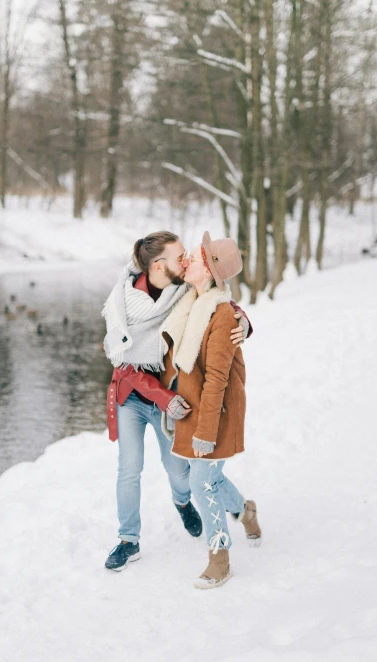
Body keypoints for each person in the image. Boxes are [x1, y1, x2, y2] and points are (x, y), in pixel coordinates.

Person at [102, 231, 251, 572]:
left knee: (179, 471)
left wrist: (244, 321)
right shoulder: (122, 303)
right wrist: (164, 398)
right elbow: (124, 364)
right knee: (129, 470)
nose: (185, 260)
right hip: (135, 397)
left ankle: (183, 502)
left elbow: (215, 298)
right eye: (179, 255)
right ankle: (128, 540)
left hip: (174, 399)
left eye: (187, 255)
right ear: (158, 265)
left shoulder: (182, 287)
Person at [160, 232, 261, 589]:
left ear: (210, 271)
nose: (188, 261)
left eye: (196, 258)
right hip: (192, 407)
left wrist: (205, 431)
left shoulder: (221, 316)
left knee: (202, 482)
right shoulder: (190, 301)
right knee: (209, 477)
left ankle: (220, 557)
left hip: (216, 412)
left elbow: (217, 378)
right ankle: (246, 510)